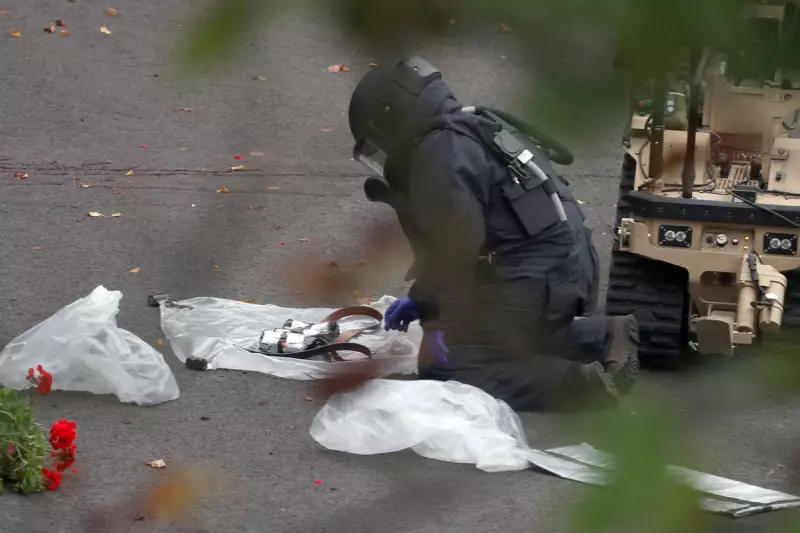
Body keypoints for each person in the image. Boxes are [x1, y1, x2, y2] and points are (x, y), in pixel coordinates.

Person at [348, 56, 640, 411]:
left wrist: (427, 302)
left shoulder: (435, 152)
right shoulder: (473, 123)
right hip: (567, 272)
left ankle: (579, 385)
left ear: (390, 117)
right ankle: (606, 335)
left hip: (537, 281)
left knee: (453, 368)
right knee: (498, 339)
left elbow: (455, 250)